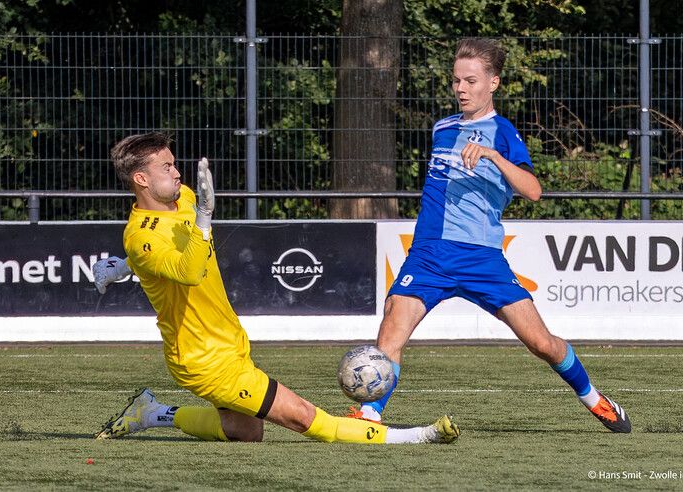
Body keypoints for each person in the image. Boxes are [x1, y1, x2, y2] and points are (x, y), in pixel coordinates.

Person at [92, 132, 459, 445]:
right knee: (302, 417)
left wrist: (118, 267)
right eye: (166, 167)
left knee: (245, 431)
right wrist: (203, 218)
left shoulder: (183, 197)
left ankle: (153, 413)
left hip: (229, 341)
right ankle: (418, 436)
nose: (177, 172)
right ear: (141, 179)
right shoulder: (141, 234)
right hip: (202, 359)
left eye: (174, 163)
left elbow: (155, 256)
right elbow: (185, 270)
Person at [346, 38, 631, 433]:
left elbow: (532, 190)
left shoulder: (502, 132)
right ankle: (370, 415)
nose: (461, 89)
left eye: (471, 81)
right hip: (428, 253)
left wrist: (495, 157)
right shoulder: (442, 128)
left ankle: (595, 400)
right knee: (391, 327)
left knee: (542, 344)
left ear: (493, 83)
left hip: (481, 257)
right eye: (456, 81)